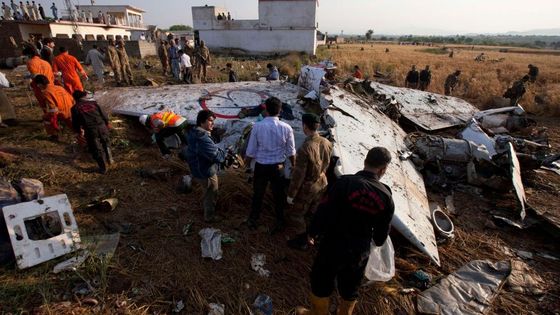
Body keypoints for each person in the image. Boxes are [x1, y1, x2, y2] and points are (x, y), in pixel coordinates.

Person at [295, 147, 395, 315]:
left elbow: (323, 211)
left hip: (332, 245)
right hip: (358, 252)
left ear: (365, 162)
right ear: (383, 169)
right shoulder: (386, 197)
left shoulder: (343, 183)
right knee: (350, 288)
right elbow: (380, 237)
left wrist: (312, 233)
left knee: (321, 282)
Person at [245, 97, 296, 234]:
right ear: (280, 110)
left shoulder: (257, 127)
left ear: (265, 110)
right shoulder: (287, 128)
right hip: (278, 167)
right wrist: (293, 165)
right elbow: (291, 151)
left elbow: (251, 151)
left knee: (258, 194)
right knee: (278, 196)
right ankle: (279, 221)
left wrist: (247, 165)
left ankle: (253, 219)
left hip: (261, 166)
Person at [286, 113, 332, 250]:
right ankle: (311, 236)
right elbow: (327, 163)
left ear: (305, 126)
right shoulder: (327, 143)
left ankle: (302, 241)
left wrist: (291, 194)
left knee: (296, 214)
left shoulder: (305, 148)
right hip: (322, 182)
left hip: (308, 185)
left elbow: (299, 175)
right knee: (312, 212)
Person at [183, 110, 227, 223]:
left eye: (213, 121)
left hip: (196, 168)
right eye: (210, 121)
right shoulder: (202, 138)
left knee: (206, 190)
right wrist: (224, 152)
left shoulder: (193, 132)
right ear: (202, 122)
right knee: (211, 192)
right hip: (205, 171)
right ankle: (209, 217)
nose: (213, 124)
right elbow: (217, 156)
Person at [71, 90, 113, 174]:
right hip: (102, 126)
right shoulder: (94, 103)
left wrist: (79, 132)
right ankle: (110, 159)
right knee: (105, 142)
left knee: (96, 148)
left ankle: (103, 167)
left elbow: (75, 122)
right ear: (83, 97)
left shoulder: (75, 108)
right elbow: (103, 114)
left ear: (75, 99)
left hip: (90, 130)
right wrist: (107, 123)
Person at [33, 74, 75, 140]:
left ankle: (53, 135)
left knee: (45, 117)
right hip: (72, 110)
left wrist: (53, 122)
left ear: (40, 84)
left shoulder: (46, 92)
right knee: (71, 124)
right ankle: (78, 132)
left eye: (38, 85)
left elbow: (53, 108)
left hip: (62, 113)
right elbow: (72, 99)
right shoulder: (60, 87)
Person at [24, 46, 54, 112]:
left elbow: (35, 76)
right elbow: (52, 76)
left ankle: (47, 117)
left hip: (39, 87)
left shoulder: (31, 63)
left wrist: (29, 81)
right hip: (50, 85)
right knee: (52, 103)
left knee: (43, 105)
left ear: (29, 55)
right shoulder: (46, 63)